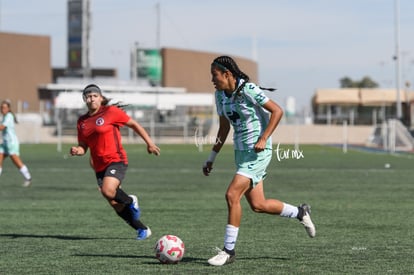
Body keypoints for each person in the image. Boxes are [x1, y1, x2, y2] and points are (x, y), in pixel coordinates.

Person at [203, 56, 316, 266]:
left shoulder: (248, 89)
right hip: (241, 153)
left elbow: (277, 111)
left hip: (258, 152)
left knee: (231, 194)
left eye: (214, 75)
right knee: (258, 205)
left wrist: (264, 137)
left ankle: (228, 251)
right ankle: (300, 212)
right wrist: (211, 157)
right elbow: (224, 128)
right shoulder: (219, 95)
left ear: (227, 74)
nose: (212, 79)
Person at [70, 84, 160, 240]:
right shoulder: (82, 122)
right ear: (84, 99)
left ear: (101, 97)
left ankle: (131, 200)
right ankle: (142, 229)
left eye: (94, 96)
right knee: (114, 202)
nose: (91, 99)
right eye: (88, 96)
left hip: (116, 160)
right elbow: (84, 145)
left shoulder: (111, 112)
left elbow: (134, 124)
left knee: (107, 191)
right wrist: (78, 150)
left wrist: (149, 143)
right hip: (99, 166)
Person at [0, 100, 32, 187]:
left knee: (17, 162)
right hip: (5, 144)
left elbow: (2, 127)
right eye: (2, 107)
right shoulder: (4, 117)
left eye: (5, 107)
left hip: (11, 143)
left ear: (9, 109)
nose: (3, 109)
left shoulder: (9, 116)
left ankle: (28, 178)